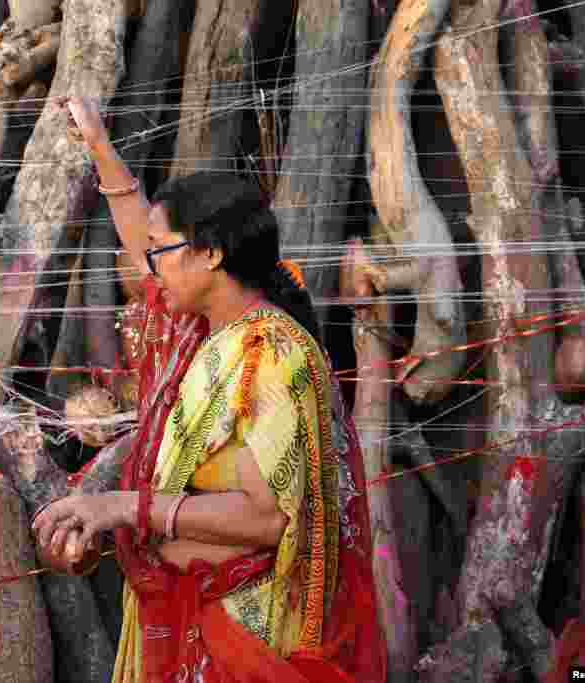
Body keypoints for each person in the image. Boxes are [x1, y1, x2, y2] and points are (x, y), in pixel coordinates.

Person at [32, 96, 386, 683]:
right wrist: (98, 144)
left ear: (213, 254)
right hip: (189, 622)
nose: (148, 265)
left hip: (242, 638)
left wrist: (121, 507)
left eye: (164, 251)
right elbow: (140, 240)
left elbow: (268, 519)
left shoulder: (269, 354)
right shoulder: (208, 334)